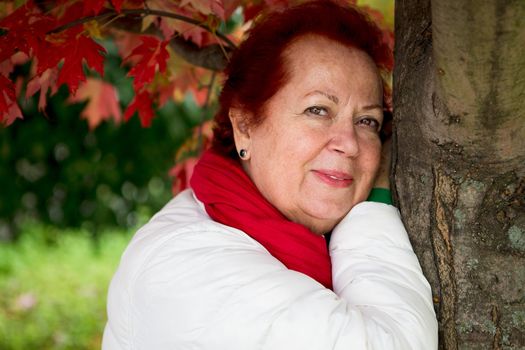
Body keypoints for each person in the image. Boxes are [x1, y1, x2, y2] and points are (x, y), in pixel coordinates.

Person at [102, 1, 438, 349]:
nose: (350, 144)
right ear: (245, 126)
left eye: (367, 121)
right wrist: (374, 206)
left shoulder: (246, 221)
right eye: (318, 110)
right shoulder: (186, 266)